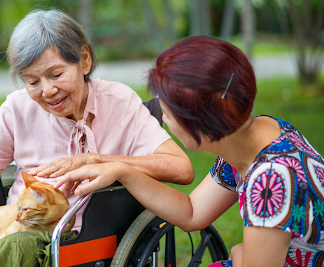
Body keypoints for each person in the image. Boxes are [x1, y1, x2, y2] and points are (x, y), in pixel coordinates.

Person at [0, 9, 193, 267]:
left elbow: (181, 168)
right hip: (17, 226)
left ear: (84, 60)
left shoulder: (118, 101)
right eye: (33, 82)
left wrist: (98, 159)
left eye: (56, 74)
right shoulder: (17, 109)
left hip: (80, 237)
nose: (47, 91)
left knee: (13, 249)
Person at [55, 36, 324, 267]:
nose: (165, 120)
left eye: (168, 113)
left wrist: (241, 255)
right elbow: (193, 212)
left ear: (199, 122)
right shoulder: (256, 133)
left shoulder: (271, 180)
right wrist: (124, 171)